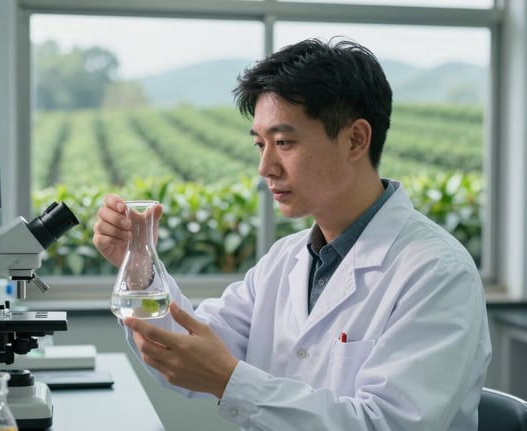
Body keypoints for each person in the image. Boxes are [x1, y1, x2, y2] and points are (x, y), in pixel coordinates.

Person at [92, 37, 491, 430]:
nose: (265, 167)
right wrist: (139, 262)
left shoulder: (437, 272)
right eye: (260, 144)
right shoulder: (284, 260)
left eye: (283, 142)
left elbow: (387, 424)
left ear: (355, 140)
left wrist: (232, 382)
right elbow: (181, 350)